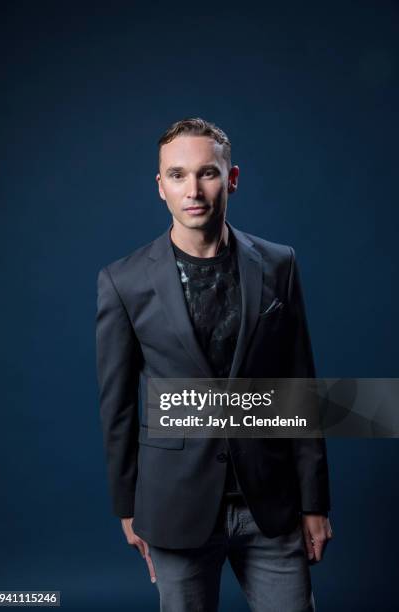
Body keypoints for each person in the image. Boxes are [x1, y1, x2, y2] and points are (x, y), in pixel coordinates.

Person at [96, 117, 333, 611]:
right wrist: (127, 508)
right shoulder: (124, 281)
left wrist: (314, 502)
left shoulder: (279, 264)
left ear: (232, 178)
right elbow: (116, 407)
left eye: (207, 172)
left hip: (270, 505)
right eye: (178, 175)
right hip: (174, 506)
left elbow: (300, 387)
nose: (194, 189)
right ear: (160, 186)